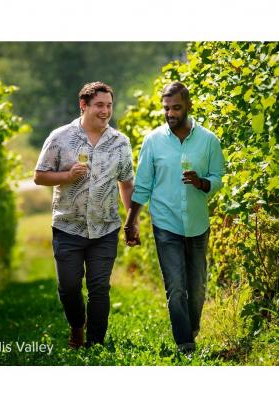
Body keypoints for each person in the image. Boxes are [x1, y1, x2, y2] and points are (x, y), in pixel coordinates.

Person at [34, 81, 136, 348]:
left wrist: (131, 220)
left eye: (109, 105)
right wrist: (66, 176)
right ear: (84, 105)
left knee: (99, 288)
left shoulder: (120, 142)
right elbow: (39, 176)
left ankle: (95, 344)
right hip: (68, 227)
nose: (105, 111)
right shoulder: (60, 138)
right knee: (68, 287)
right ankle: (78, 326)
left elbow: (126, 183)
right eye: (99, 105)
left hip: (105, 228)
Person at [125, 82, 225, 353]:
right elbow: (143, 184)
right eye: (166, 108)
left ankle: (191, 328)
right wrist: (131, 219)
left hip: (197, 222)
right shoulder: (153, 141)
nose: (170, 113)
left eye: (176, 108)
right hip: (165, 222)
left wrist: (201, 183)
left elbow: (218, 178)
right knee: (176, 286)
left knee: (198, 286)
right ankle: (185, 344)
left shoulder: (208, 141)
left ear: (189, 106)